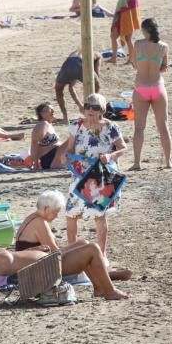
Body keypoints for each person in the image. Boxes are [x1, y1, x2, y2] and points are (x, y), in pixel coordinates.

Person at [0, 192, 130, 300]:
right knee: (92, 248)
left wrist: (34, 250)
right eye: (55, 212)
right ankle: (109, 290)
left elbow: (20, 256)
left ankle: (100, 287)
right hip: (47, 267)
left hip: (43, 261)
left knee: (85, 245)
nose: (56, 216)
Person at [62, 93, 127, 257]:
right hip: (79, 174)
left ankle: (102, 255)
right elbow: (70, 148)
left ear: (101, 111)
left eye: (95, 107)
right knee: (71, 213)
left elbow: (123, 148)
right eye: (87, 106)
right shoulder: (76, 125)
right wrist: (67, 157)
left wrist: (110, 157)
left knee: (99, 215)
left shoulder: (110, 127)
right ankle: (72, 253)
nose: (90, 110)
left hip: (99, 176)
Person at [131, 18, 172, 170]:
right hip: (157, 86)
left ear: (144, 30)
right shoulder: (163, 47)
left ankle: (136, 163)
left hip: (141, 87)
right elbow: (164, 67)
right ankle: (168, 162)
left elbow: (134, 64)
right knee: (163, 126)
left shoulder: (138, 45)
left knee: (139, 128)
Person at [54, 51, 102, 123]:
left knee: (58, 89)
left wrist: (80, 105)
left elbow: (71, 88)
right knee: (96, 86)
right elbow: (97, 79)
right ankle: (93, 112)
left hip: (68, 64)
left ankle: (65, 118)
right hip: (80, 63)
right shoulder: (97, 55)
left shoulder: (75, 52)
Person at [109, 0, 140, 64]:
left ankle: (131, 59)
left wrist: (121, 10)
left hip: (127, 18)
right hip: (120, 17)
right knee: (113, 36)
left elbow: (133, 8)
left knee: (128, 39)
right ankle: (114, 58)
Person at [30, 104, 66, 170]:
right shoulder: (43, 124)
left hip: (54, 157)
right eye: (50, 110)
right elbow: (35, 143)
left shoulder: (49, 125)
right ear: (41, 114)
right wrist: (35, 164)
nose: (53, 111)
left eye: (53, 109)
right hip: (49, 159)